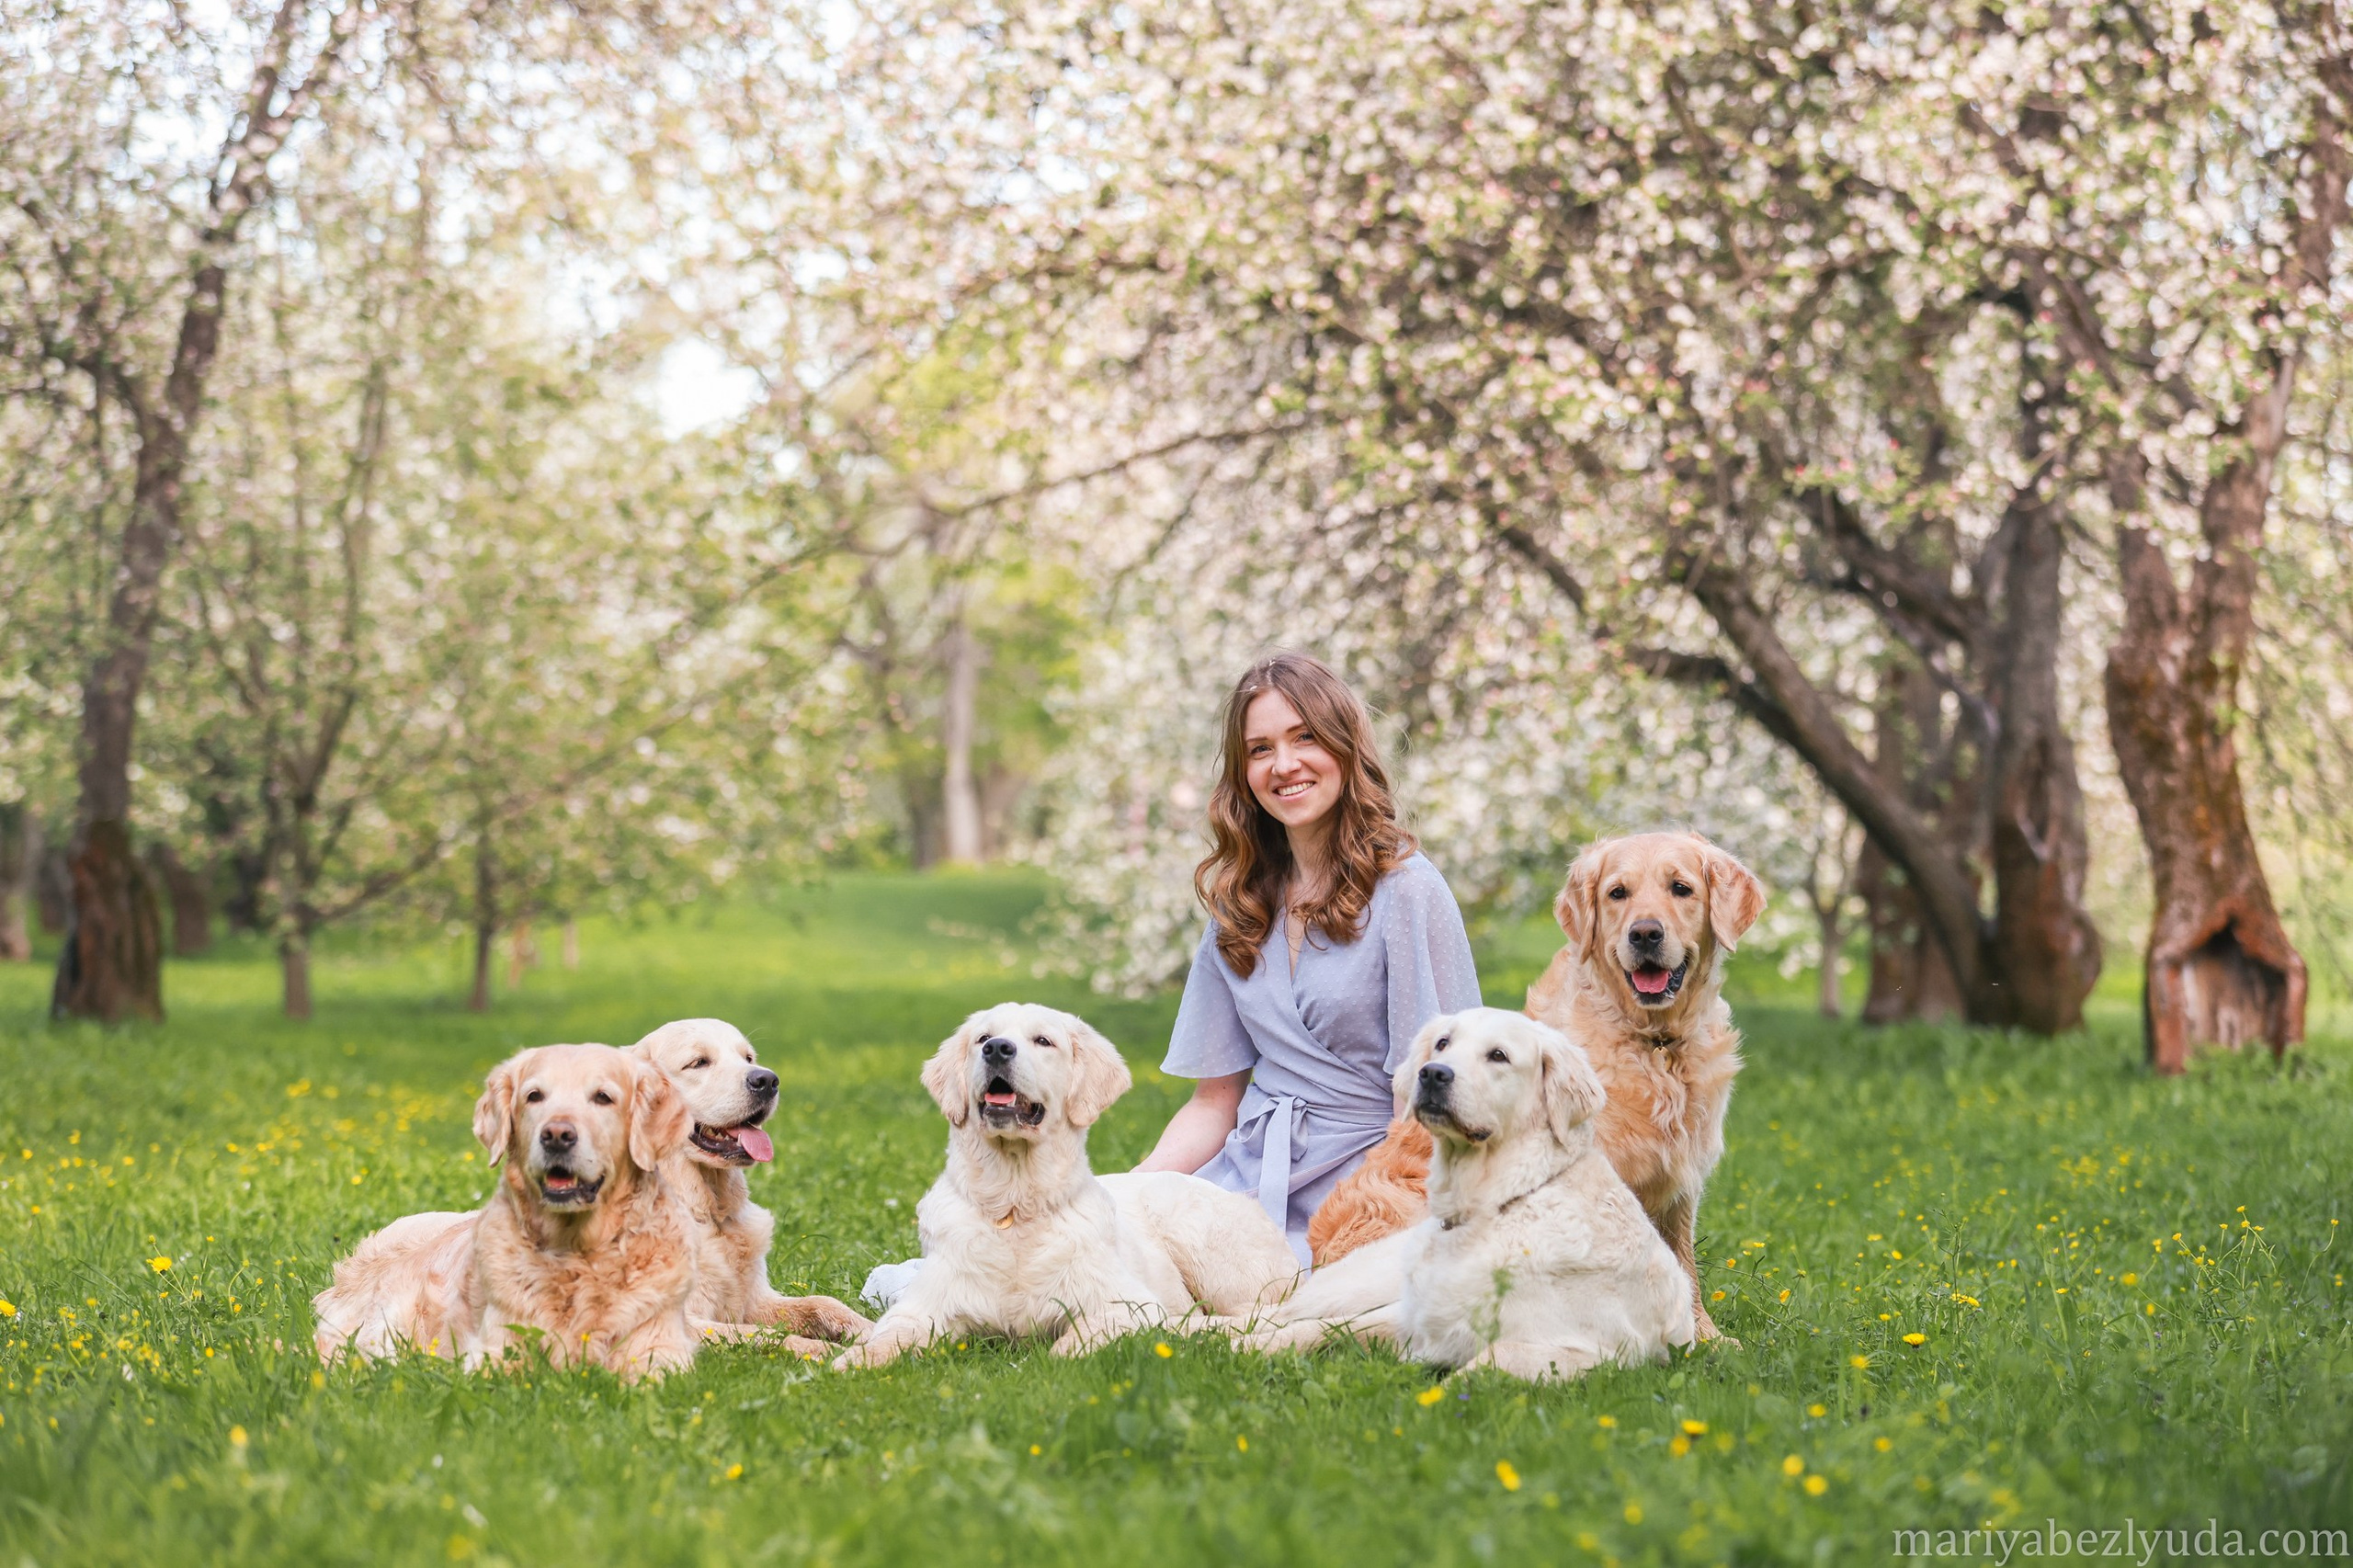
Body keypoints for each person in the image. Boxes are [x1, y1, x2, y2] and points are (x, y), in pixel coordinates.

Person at [1134, 652, 1481, 1264]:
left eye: (1304, 738)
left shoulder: (1408, 891)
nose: (1285, 764)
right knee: (1117, 1253)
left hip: (1371, 1186)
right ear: (1243, 773)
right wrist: (1128, 1195)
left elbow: (1436, 1099)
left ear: (1346, 748)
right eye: (1260, 749)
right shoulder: (1238, 902)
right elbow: (1214, 1102)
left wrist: (1389, 1209)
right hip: (1248, 1170)